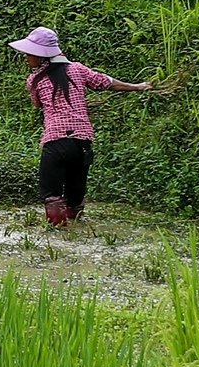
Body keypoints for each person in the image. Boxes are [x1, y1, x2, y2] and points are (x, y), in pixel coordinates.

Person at [8, 26, 152, 227]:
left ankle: (59, 233)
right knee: (75, 194)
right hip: (82, 142)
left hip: (56, 140)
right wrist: (137, 87)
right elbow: (106, 82)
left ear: (42, 56)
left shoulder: (35, 80)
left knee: (52, 194)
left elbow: (38, 104)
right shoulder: (77, 69)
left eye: (29, 53)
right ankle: (76, 227)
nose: (26, 57)